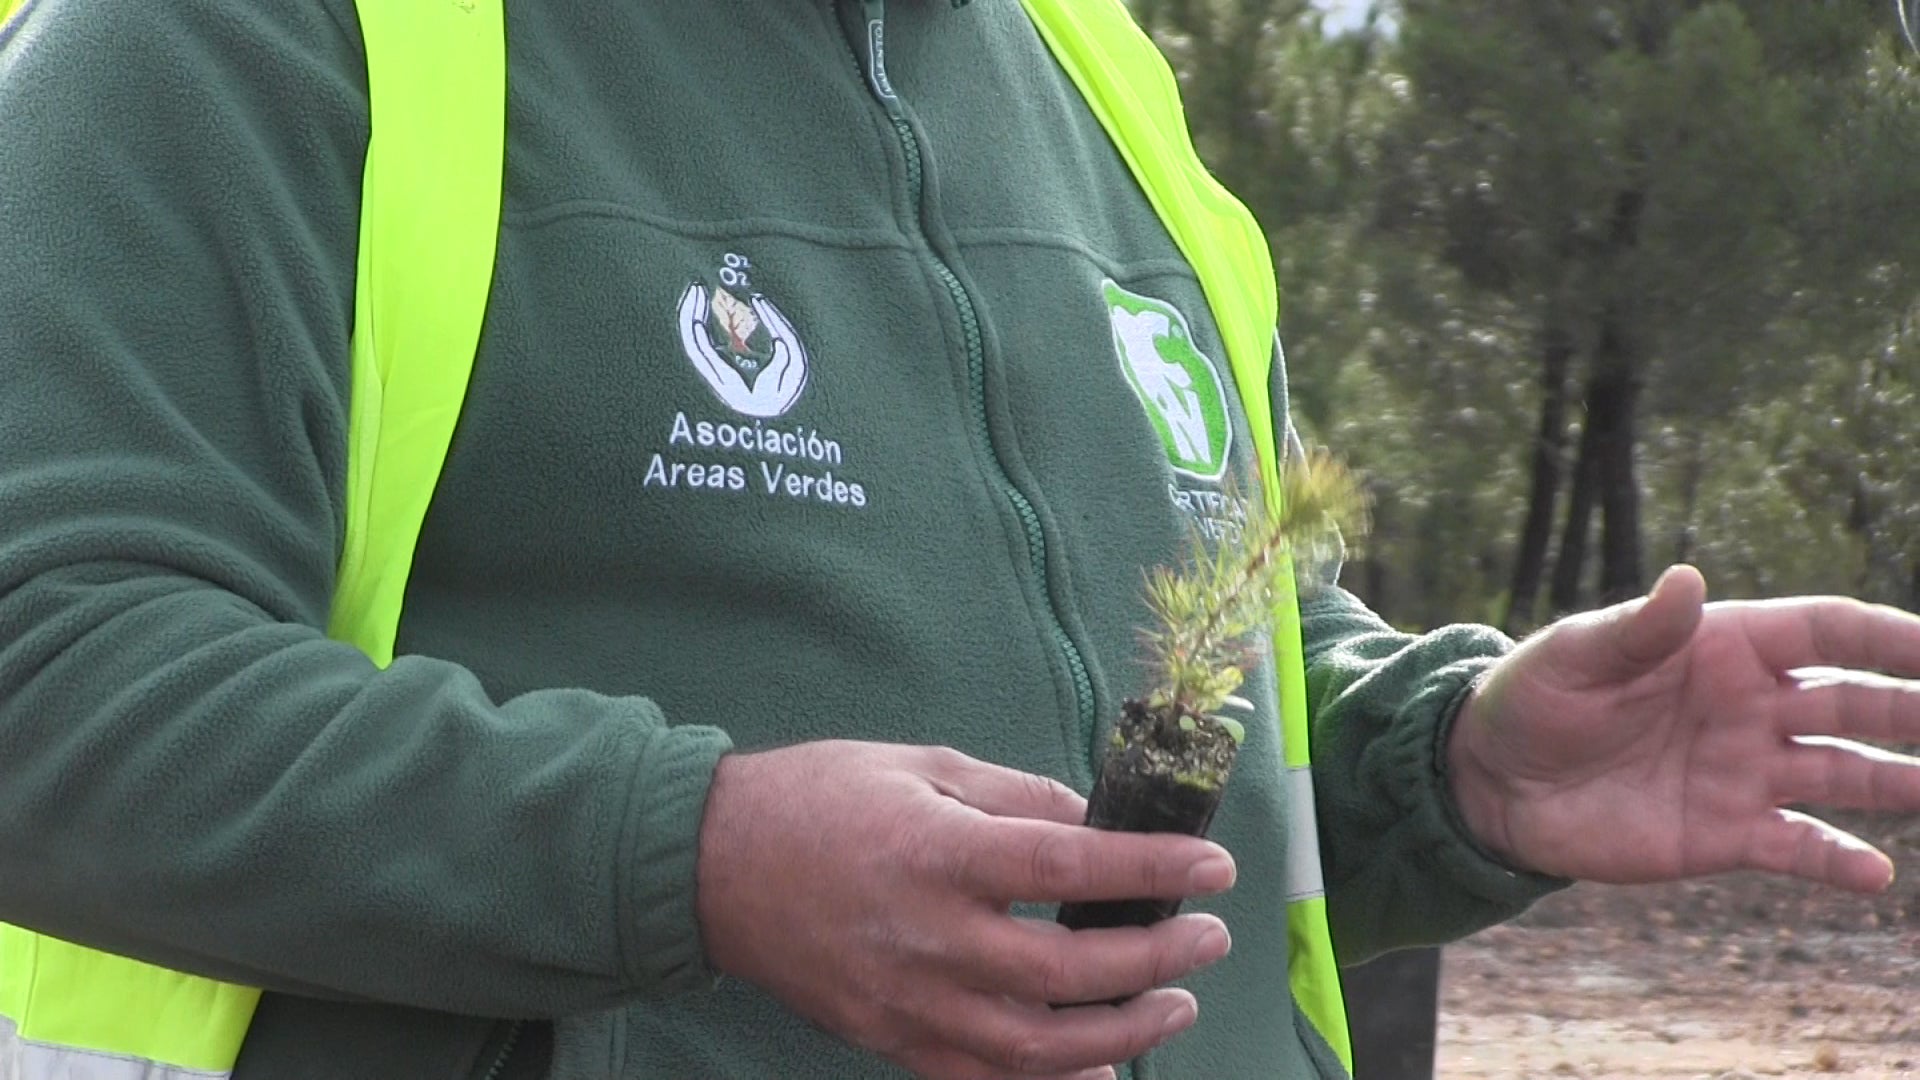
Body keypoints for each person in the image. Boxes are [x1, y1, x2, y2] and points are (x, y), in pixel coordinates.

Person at [0, 1, 1915, 1078]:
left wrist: (1448, 757)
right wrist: (696, 855)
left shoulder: (1098, 88)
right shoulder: (246, 40)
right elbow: (41, 663)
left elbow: (1165, 658)